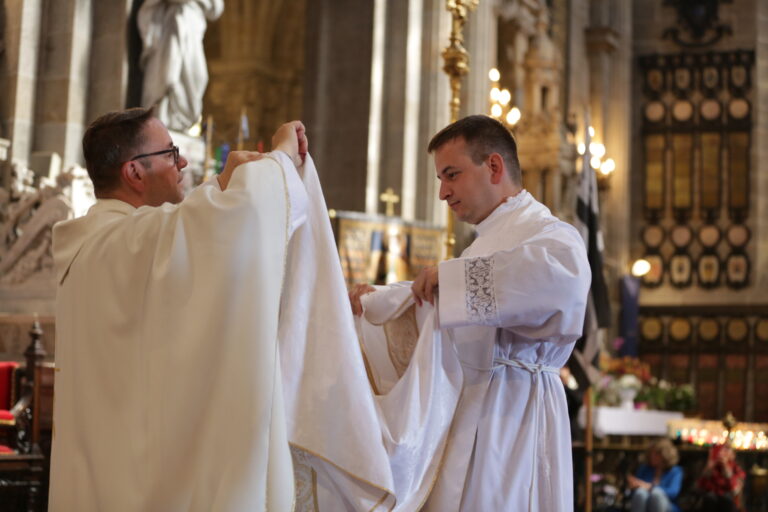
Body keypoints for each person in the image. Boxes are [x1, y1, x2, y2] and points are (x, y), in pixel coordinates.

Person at [48, 107, 308, 511]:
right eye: (170, 153)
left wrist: (222, 183)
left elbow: (186, 229)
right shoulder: (128, 242)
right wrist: (280, 158)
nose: (182, 161)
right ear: (134, 172)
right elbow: (232, 217)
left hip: (103, 475)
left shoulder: (92, 247)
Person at [349, 114, 592, 510]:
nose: (443, 193)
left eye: (452, 175)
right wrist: (376, 300)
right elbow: (440, 305)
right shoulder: (481, 245)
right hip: (468, 412)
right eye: (440, 179)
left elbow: (558, 283)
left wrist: (450, 280)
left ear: (493, 166)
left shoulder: (550, 233)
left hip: (514, 414)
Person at [137, 0, 224, 131]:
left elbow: (216, 9)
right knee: (169, 75)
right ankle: (163, 120)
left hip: (193, 25)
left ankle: (181, 122)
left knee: (199, 77)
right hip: (173, 24)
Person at [627, 438, 683, 512]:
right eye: (651, 454)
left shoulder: (675, 471)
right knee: (640, 493)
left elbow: (673, 492)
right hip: (644, 503)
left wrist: (650, 487)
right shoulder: (644, 469)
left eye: (656, 454)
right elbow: (634, 490)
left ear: (665, 455)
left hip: (665, 504)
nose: (652, 457)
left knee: (656, 494)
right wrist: (633, 485)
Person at [694, 443, 745, 512]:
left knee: (726, 500)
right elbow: (698, 488)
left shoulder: (737, 469)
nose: (721, 452)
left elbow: (735, 492)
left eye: (726, 449)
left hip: (729, 504)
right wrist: (709, 468)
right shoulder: (709, 467)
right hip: (710, 502)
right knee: (710, 498)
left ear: (733, 455)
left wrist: (727, 470)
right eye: (720, 449)